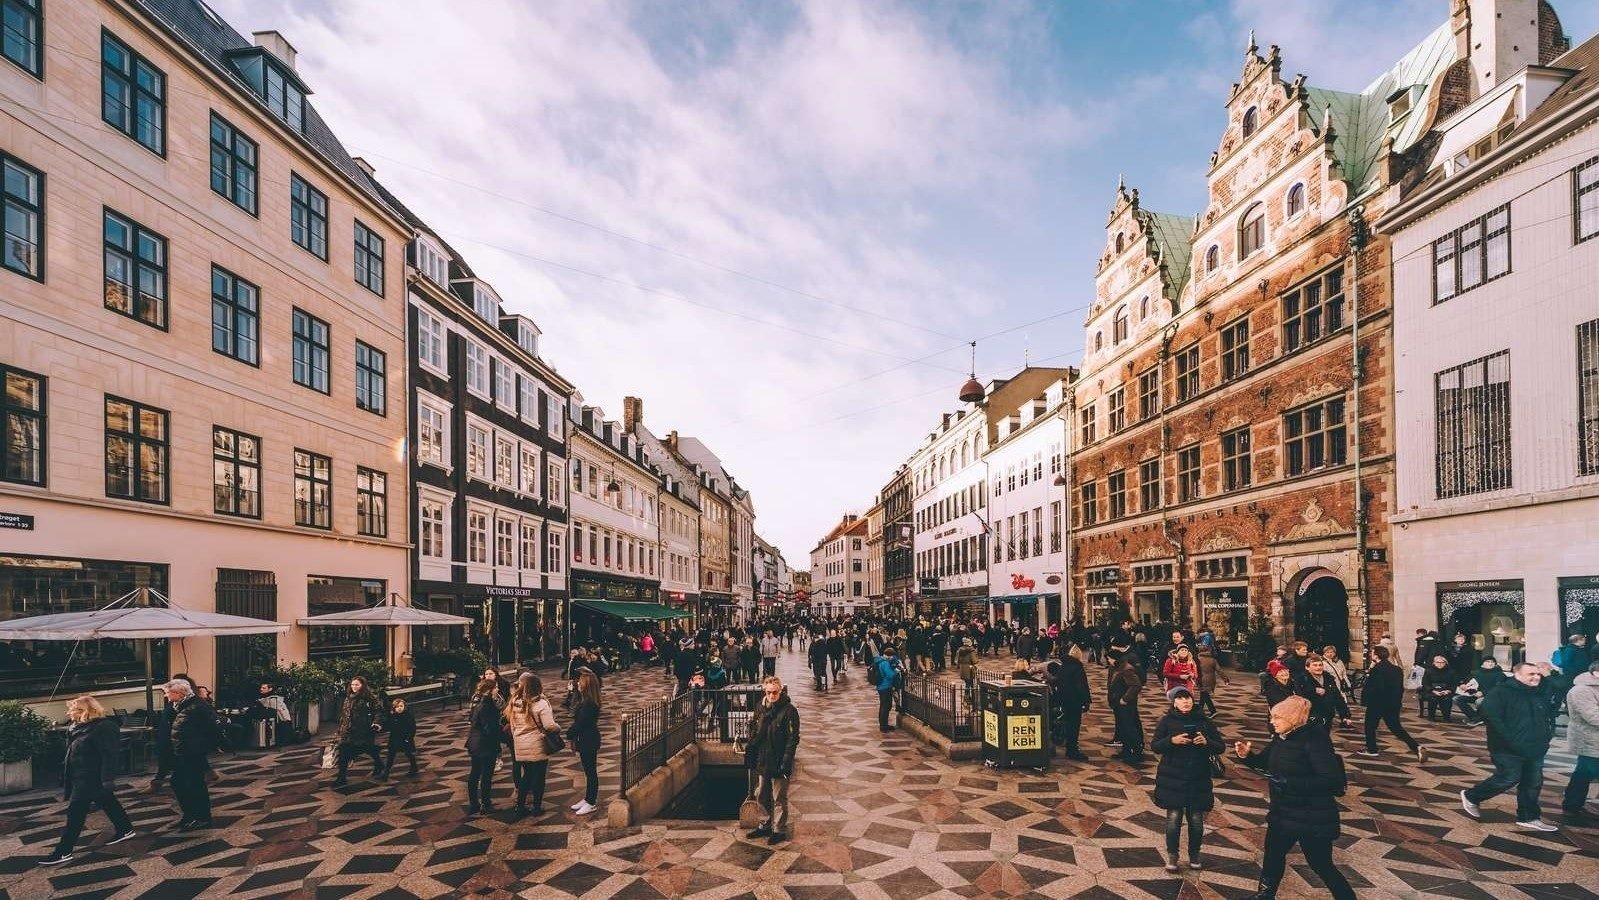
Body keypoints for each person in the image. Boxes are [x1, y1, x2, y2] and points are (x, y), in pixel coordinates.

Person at [1234, 696, 1356, 900]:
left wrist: (1290, 784)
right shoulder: (1281, 738)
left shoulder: (1315, 739)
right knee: (1273, 854)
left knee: (1321, 864)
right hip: (1283, 812)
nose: (1272, 722)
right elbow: (1264, 764)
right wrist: (1247, 756)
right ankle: (1265, 895)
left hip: (1311, 816)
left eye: (1277, 717)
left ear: (1293, 718)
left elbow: (1331, 781)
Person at [37, 695, 137, 866]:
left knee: (75, 814)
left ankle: (63, 851)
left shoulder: (102, 727)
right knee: (108, 801)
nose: (69, 712)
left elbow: (109, 755)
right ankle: (125, 829)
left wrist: (107, 779)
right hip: (80, 775)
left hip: (91, 777)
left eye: (73, 709)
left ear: (85, 711)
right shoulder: (78, 727)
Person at [1461, 662, 1559, 831]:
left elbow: (1547, 715)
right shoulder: (1501, 692)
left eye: (1538, 674)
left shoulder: (1538, 692)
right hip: (1507, 747)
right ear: (1517, 674)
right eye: (1531, 674)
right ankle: (1472, 796)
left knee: (1533, 782)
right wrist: (1511, 739)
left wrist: (1547, 736)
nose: (1536, 677)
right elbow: (1491, 716)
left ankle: (1528, 817)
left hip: (1535, 747)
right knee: (1509, 777)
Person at [1152, 687, 1224, 872]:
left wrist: (1206, 742)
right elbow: (1155, 746)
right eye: (1181, 698)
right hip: (1172, 777)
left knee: (1196, 820)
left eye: (1188, 698)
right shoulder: (1166, 721)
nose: (1186, 701)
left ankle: (1194, 854)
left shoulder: (1204, 721)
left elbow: (1220, 747)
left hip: (1197, 777)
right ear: (1174, 702)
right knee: (1173, 819)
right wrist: (1171, 741)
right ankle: (1172, 855)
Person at [745, 675, 800, 845]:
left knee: (778, 797)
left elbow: (793, 739)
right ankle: (764, 824)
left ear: (780, 691)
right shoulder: (760, 708)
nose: (771, 695)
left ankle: (778, 829)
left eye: (775, 692)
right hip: (763, 758)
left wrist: (786, 761)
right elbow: (754, 731)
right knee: (761, 794)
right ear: (765, 692)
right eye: (768, 692)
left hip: (778, 760)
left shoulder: (789, 711)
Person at [1357, 646, 1424, 761]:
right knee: (1396, 728)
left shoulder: (1377, 669)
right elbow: (1400, 688)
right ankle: (1416, 746)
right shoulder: (1396, 669)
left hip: (1377, 703)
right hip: (1393, 703)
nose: (1371, 655)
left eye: (1372, 653)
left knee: (1370, 726)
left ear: (1376, 656)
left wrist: (1366, 699)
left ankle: (1371, 749)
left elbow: (1376, 688)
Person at [165, 679, 216, 831]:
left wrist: (198, 747)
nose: (167, 696)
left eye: (168, 693)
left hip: (193, 753)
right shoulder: (181, 706)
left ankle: (202, 818)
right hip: (183, 752)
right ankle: (190, 816)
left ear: (179, 693)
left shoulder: (197, 706)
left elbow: (208, 728)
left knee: (195, 785)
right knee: (179, 783)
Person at [508, 673, 560, 818]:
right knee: (539, 776)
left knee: (527, 776)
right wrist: (558, 728)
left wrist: (518, 736)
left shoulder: (515, 702)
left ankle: (520, 806)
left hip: (520, 744)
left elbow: (512, 725)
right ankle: (536, 807)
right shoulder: (540, 703)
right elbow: (549, 726)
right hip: (536, 744)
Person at [1562, 660, 1599, 824]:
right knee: (1585, 772)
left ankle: (1572, 805)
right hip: (1590, 740)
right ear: (1596, 673)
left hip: (1594, 741)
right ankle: (1571, 806)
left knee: (1583, 774)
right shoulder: (1581, 690)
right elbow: (1593, 717)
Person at [463, 676, 505, 816]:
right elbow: (490, 728)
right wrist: (502, 736)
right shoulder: (488, 706)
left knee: (475, 773)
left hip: (474, 743)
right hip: (486, 745)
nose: (497, 689)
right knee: (486, 775)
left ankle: (473, 803)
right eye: (495, 688)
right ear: (489, 690)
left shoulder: (478, 704)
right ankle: (485, 804)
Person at [332, 677, 385, 786]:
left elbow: (378, 711)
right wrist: (339, 730)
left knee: (364, 749)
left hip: (363, 731)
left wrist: (376, 722)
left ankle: (378, 763)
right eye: (352, 685)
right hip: (348, 731)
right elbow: (344, 716)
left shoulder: (369, 698)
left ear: (362, 685)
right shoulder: (348, 698)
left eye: (357, 685)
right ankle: (341, 777)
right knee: (344, 753)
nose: (354, 687)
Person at [567, 669, 603, 816]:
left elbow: (581, 723)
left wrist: (569, 733)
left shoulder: (589, 704)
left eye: (580, 682)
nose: (578, 684)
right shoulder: (585, 701)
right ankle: (587, 798)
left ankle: (591, 802)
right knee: (588, 771)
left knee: (591, 772)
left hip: (588, 739)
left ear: (587, 685)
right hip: (585, 739)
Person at [1049, 655, 1091, 761]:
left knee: (1067, 723)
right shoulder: (1077, 669)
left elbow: (1058, 681)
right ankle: (1072, 749)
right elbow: (1081, 686)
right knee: (1074, 725)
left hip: (1063, 699)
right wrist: (1086, 701)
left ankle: (1069, 746)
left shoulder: (1063, 667)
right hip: (1074, 701)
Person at [1295, 656, 1351, 730]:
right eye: (1315, 665)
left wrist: (1344, 716)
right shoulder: (1301, 680)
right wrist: (1313, 690)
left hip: (1327, 716)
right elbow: (1299, 697)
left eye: (1320, 665)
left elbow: (1337, 697)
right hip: (1310, 718)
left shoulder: (1329, 678)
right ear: (1307, 668)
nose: (1318, 668)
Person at [1109, 655, 1144, 764]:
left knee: (1129, 727)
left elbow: (1136, 685)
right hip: (1119, 703)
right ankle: (1126, 750)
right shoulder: (1118, 667)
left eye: (1109, 658)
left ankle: (1137, 753)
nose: (1108, 661)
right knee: (1123, 727)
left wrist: (1125, 698)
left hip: (1125, 704)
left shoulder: (1126, 668)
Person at [1454, 657, 1504, 725]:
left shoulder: (1500, 674)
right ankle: (1475, 717)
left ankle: (1478, 719)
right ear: (1482, 664)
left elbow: (1499, 688)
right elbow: (1465, 680)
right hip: (1473, 694)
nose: (1490, 663)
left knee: (1479, 701)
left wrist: (1483, 693)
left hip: (1490, 696)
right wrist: (1462, 685)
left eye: (1492, 662)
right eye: (1487, 661)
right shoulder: (1476, 673)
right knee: (1456, 699)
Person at [245, 681, 291, 749]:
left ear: (270, 689)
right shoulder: (264, 697)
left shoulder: (273, 698)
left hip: (278, 719)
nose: (261, 689)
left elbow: (276, 708)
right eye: (261, 687)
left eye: (264, 688)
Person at [384, 697, 418, 777]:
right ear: (394, 708)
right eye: (397, 707)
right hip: (394, 738)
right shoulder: (392, 716)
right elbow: (387, 726)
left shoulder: (408, 715)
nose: (399, 708)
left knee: (409, 754)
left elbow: (412, 728)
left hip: (406, 738)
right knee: (391, 755)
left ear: (404, 707)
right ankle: (386, 772)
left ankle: (414, 767)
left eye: (401, 706)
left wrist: (408, 738)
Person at [871, 647, 902, 733]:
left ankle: (883, 724)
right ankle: (883, 726)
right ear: (889, 656)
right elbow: (890, 675)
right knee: (886, 706)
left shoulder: (878, 660)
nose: (892, 658)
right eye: (892, 656)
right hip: (885, 686)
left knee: (883, 706)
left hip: (880, 686)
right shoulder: (884, 663)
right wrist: (896, 671)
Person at [1421, 654, 1458, 722]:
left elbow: (1453, 684)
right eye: (1437, 662)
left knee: (1446, 698)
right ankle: (1431, 716)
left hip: (1446, 690)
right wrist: (1433, 691)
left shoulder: (1451, 672)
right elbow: (1425, 683)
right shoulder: (1428, 671)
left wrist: (1448, 691)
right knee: (1433, 698)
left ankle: (1446, 717)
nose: (1440, 664)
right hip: (1432, 691)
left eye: (1442, 662)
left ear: (1445, 663)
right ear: (1434, 663)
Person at [1196, 646, 1228, 717]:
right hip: (1211, 680)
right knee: (1203, 695)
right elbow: (1219, 670)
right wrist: (1225, 679)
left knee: (1205, 695)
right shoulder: (1213, 660)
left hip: (1201, 680)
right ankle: (1199, 711)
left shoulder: (1198, 659)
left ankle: (1213, 711)